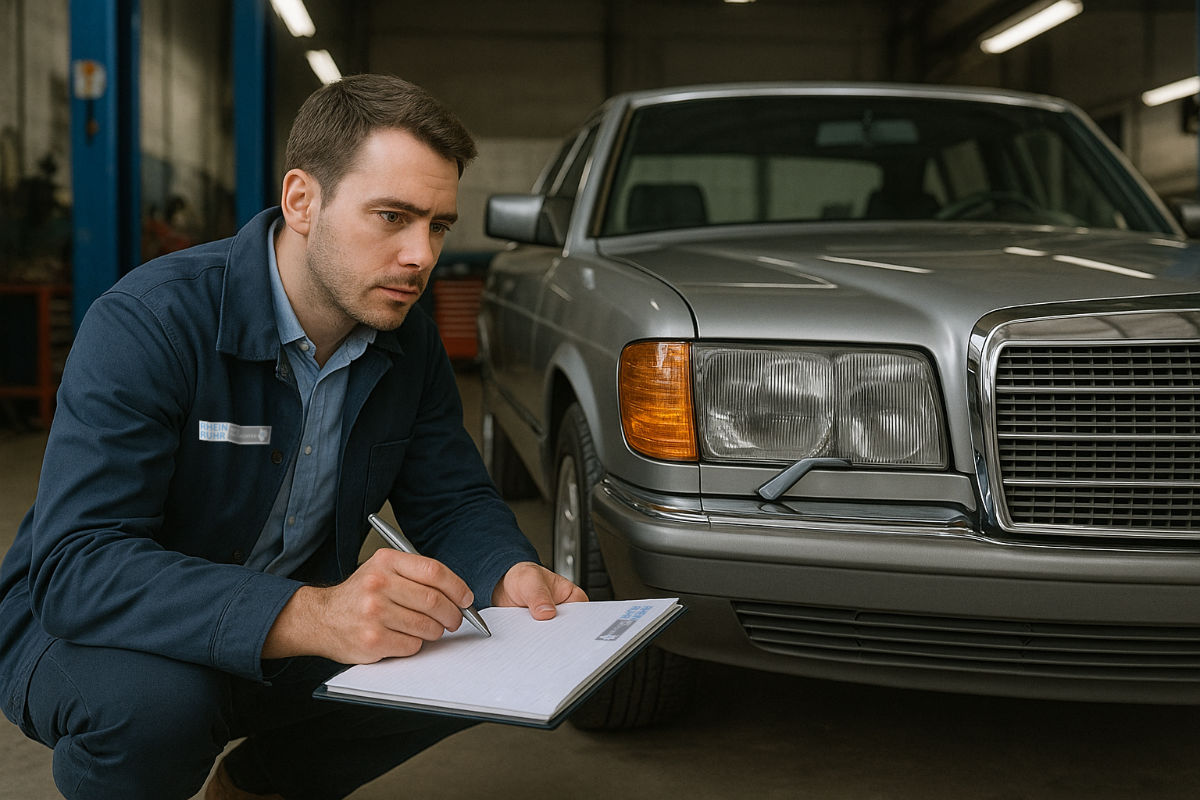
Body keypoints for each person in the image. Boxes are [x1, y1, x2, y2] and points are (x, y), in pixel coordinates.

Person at [0, 74, 586, 800]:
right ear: (302, 201)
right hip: (96, 633)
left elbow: (454, 498)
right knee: (156, 711)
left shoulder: (408, 347)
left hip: (283, 624)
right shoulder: (150, 322)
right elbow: (77, 567)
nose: (420, 255)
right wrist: (313, 612)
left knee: (473, 652)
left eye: (437, 225)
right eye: (392, 217)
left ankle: (254, 788)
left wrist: (508, 577)